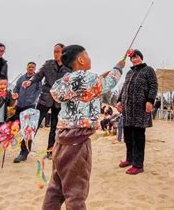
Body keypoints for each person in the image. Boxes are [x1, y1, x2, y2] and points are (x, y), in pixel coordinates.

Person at [42, 45, 125, 210]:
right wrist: (118, 68)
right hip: (77, 143)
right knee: (76, 193)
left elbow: (66, 93)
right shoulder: (88, 77)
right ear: (80, 59)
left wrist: (96, 80)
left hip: (61, 141)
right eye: (86, 54)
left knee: (55, 188)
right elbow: (109, 84)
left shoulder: (64, 80)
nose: (89, 57)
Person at [15, 43, 70, 162]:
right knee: (32, 125)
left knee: (55, 127)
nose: (56, 54)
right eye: (54, 51)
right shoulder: (48, 64)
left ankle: (51, 152)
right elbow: (38, 75)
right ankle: (23, 152)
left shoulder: (69, 67)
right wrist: (30, 81)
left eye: (58, 52)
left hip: (60, 101)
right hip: (45, 98)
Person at [116, 49, 158, 175]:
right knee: (128, 136)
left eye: (136, 57)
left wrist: (150, 101)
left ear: (141, 57)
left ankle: (138, 165)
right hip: (127, 110)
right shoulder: (129, 73)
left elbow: (154, 85)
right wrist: (119, 101)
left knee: (138, 137)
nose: (134, 59)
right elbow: (124, 88)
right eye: (132, 58)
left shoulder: (148, 70)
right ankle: (130, 159)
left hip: (140, 108)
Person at [10, 62, 43, 163]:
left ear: (35, 68)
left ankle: (24, 151)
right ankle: (12, 140)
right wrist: (15, 93)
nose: (31, 68)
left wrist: (32, 99)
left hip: (30, 106)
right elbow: (16, 87)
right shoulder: (21, 78)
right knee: (15, 125)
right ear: (27, 68)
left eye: (33, 67)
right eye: (29, 67)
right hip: (20, 104)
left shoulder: (37, 79)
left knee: (28, 129)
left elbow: (39, 91)